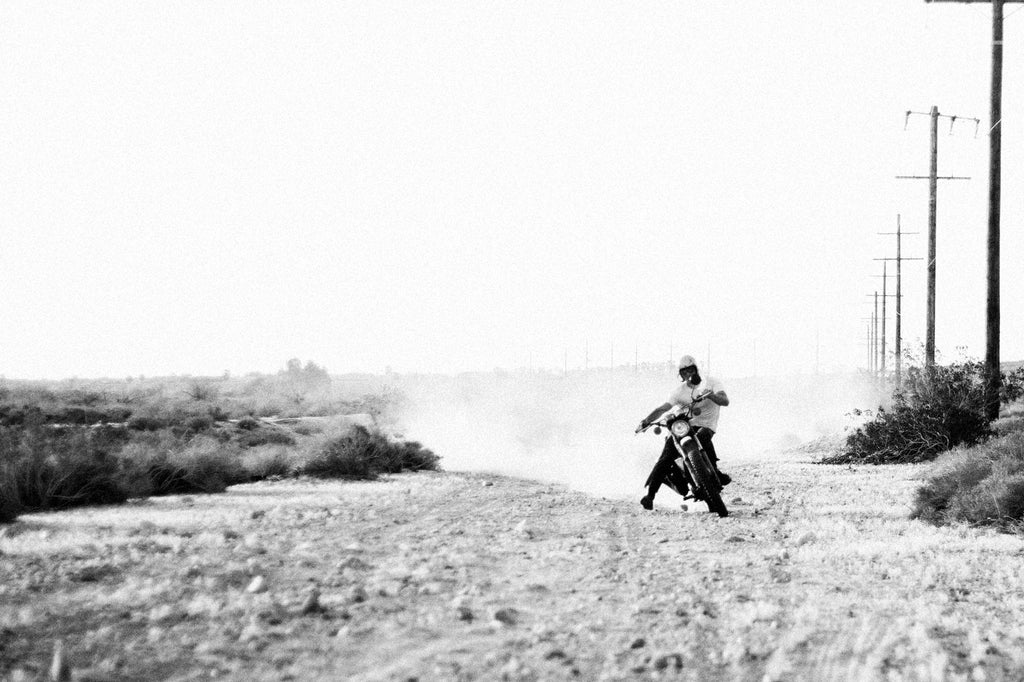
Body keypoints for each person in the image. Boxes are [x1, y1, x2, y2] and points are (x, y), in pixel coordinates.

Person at [637, 354, 731, 510]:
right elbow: (664, 407)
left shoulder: (711, 382)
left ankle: (716, 472)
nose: (688, 374)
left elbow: (725, 400)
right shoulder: (679, 392)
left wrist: (710, 395)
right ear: (681, 375)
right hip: (686, 426)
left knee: (702, 437)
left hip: (706, 426)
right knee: (666, 456)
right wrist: (646, 421)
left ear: (696, 369)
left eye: (691, 370)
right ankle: (650, 496)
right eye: (684, 372)